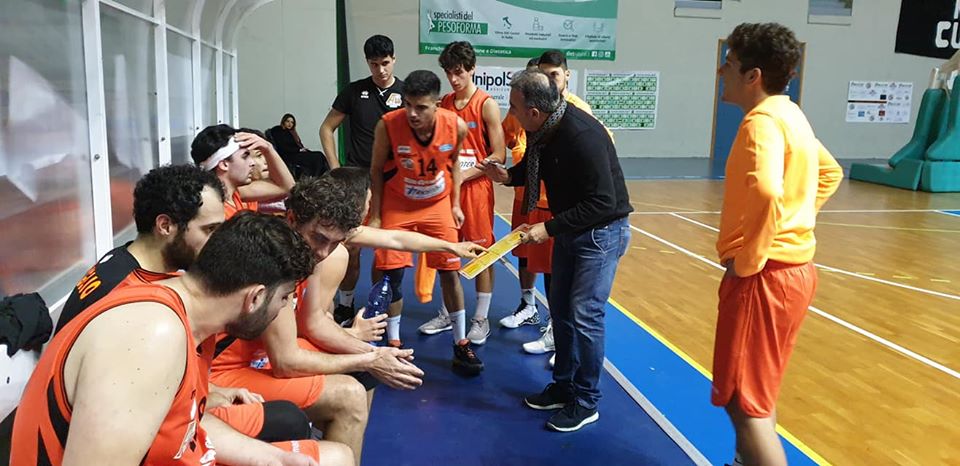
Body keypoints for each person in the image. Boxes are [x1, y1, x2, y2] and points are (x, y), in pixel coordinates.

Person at [11, 213, 352, 466]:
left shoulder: (189, 315)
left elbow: (187, 422)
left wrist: (271, 458)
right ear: (255, 297)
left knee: (336, 457)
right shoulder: (151, 337)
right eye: (284, 299)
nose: (284, 310)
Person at [211, 169, 484, 464]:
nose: (324, 252)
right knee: (350, 396)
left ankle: (334, 445)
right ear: (292, 219)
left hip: (258, 356)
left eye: (334, 242)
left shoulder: (307, 246)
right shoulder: (276, 262)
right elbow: (286, 362)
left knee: (364, 372)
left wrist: (450, 246)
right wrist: (368, 357)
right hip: (226, 372)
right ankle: (334, 451)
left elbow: (392, 239)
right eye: (319, 238)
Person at [54, 164, 314, 447]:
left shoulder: (126, 262)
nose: (218, 243)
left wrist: (210, 392)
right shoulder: (141, 313)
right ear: (165, 226)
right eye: (210, 230)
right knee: (289, 421)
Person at [712, 23, 842, 466]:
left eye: (728, 64)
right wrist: (795, 223)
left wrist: (750, 260)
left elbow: (768, 192)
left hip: (765, 278)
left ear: (753, 75)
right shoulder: (792, 115)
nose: (719, 72)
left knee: (746, 405)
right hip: (793, 274)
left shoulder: (762, 123)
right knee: (758, 393)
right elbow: (830, 173)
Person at [479, 69, 632, 432]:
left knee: (585, 316)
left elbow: (603, 202)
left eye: (514, 107)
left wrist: (546, 228)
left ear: (534, 110)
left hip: (600, 234)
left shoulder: (582, 135)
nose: (511, 114)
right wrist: (508, 176)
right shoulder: (544, 131)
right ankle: (563, 385)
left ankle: (586, 400)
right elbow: (535, 168)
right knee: (560, 311)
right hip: (570, 230)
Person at [369, 70, 485, 375]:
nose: (412, 113)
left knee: (450, 271)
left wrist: (456, 203)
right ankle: (392, 344)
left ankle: (460, 343)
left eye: (421, 107)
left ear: (437, 105)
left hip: (437, 204)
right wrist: (378, 215)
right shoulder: (388, 126)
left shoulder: (456, 126)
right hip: (399, 203)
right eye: (408, 104)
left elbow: (455, 164)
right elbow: (377, 170)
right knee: (391, 272)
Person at [416, 41, 506, 346]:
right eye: (448, 73)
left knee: (480, 254)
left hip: (476, 189)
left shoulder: (486, 104)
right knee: (446, 252)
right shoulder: (443, 102)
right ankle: (449, 312)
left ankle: (481, 319)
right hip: (447, 192)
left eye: (459, 73)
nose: (454, 79)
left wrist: (464, 174)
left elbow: (499, 153)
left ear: (471, 69)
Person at [319, 34, 405, 325]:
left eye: (384, 63)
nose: (380, 70)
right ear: (367, 63)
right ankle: (345, 305)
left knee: (384, 250)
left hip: (392, 182)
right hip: (355, 181)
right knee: (349, 247)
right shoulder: (354, 91)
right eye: (373, 64)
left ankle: (376, 306)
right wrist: (335, 168)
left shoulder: (407, 94)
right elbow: (326, 128)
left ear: (394, 59)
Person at [192, 124, 295, 220]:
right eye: (245, 156)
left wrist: (268, 148)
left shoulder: (237, 193)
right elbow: (285, 186)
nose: (252, 163)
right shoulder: (213, 210)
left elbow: (287, 187)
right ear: (224, 164)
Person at [268, 113, 329, 177]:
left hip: (296, 153)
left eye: (292, 122)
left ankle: (323, 175)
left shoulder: (292, 132)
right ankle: (316, 176)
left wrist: (302, 149)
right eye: (287, 121)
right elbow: (282, 147)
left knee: (320, 155)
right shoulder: (278, 130)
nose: (290, 124)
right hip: (289, 155)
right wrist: (299, 150)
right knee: (317, 157)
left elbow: (297, 145)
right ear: (283, 121)